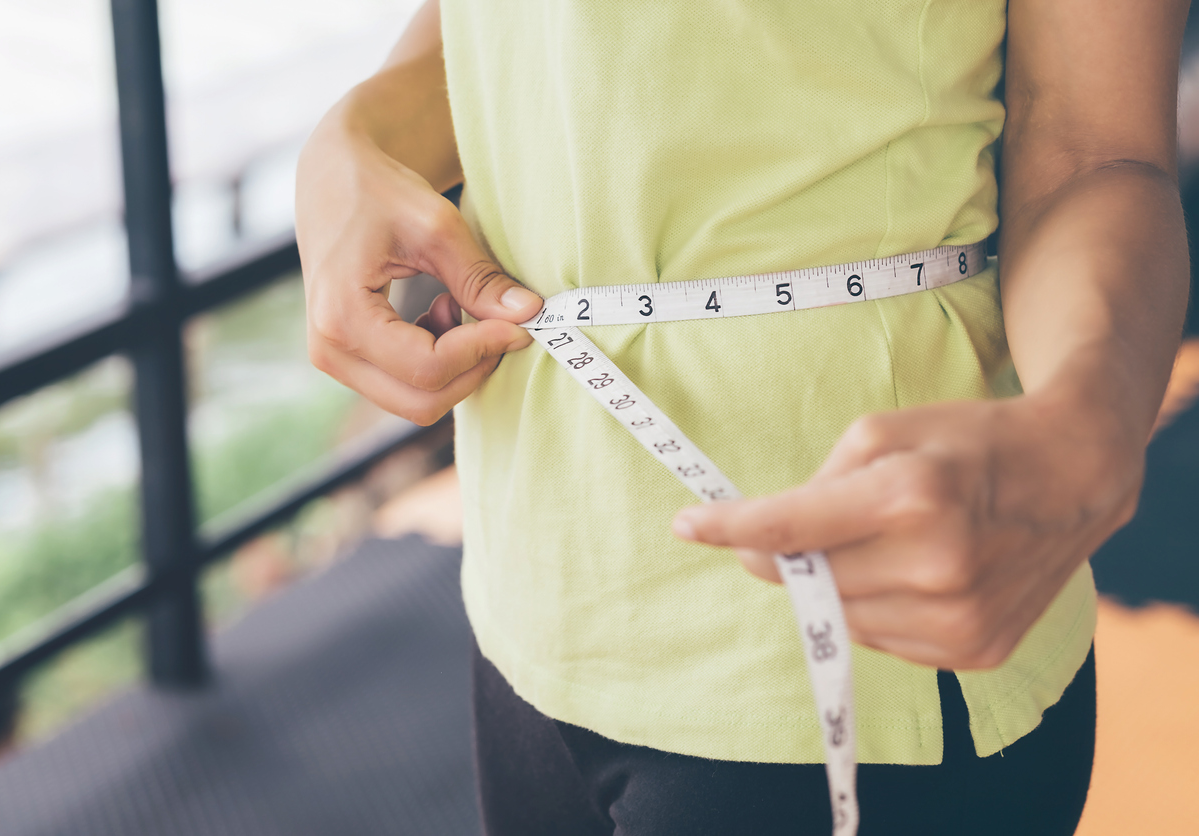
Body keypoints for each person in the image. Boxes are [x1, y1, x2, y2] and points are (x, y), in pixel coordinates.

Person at [295, 1, 1191, 833]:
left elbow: (1090, 143)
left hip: (849, 628)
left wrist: (1090, 427)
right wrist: (358, 135)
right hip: (530, 588)